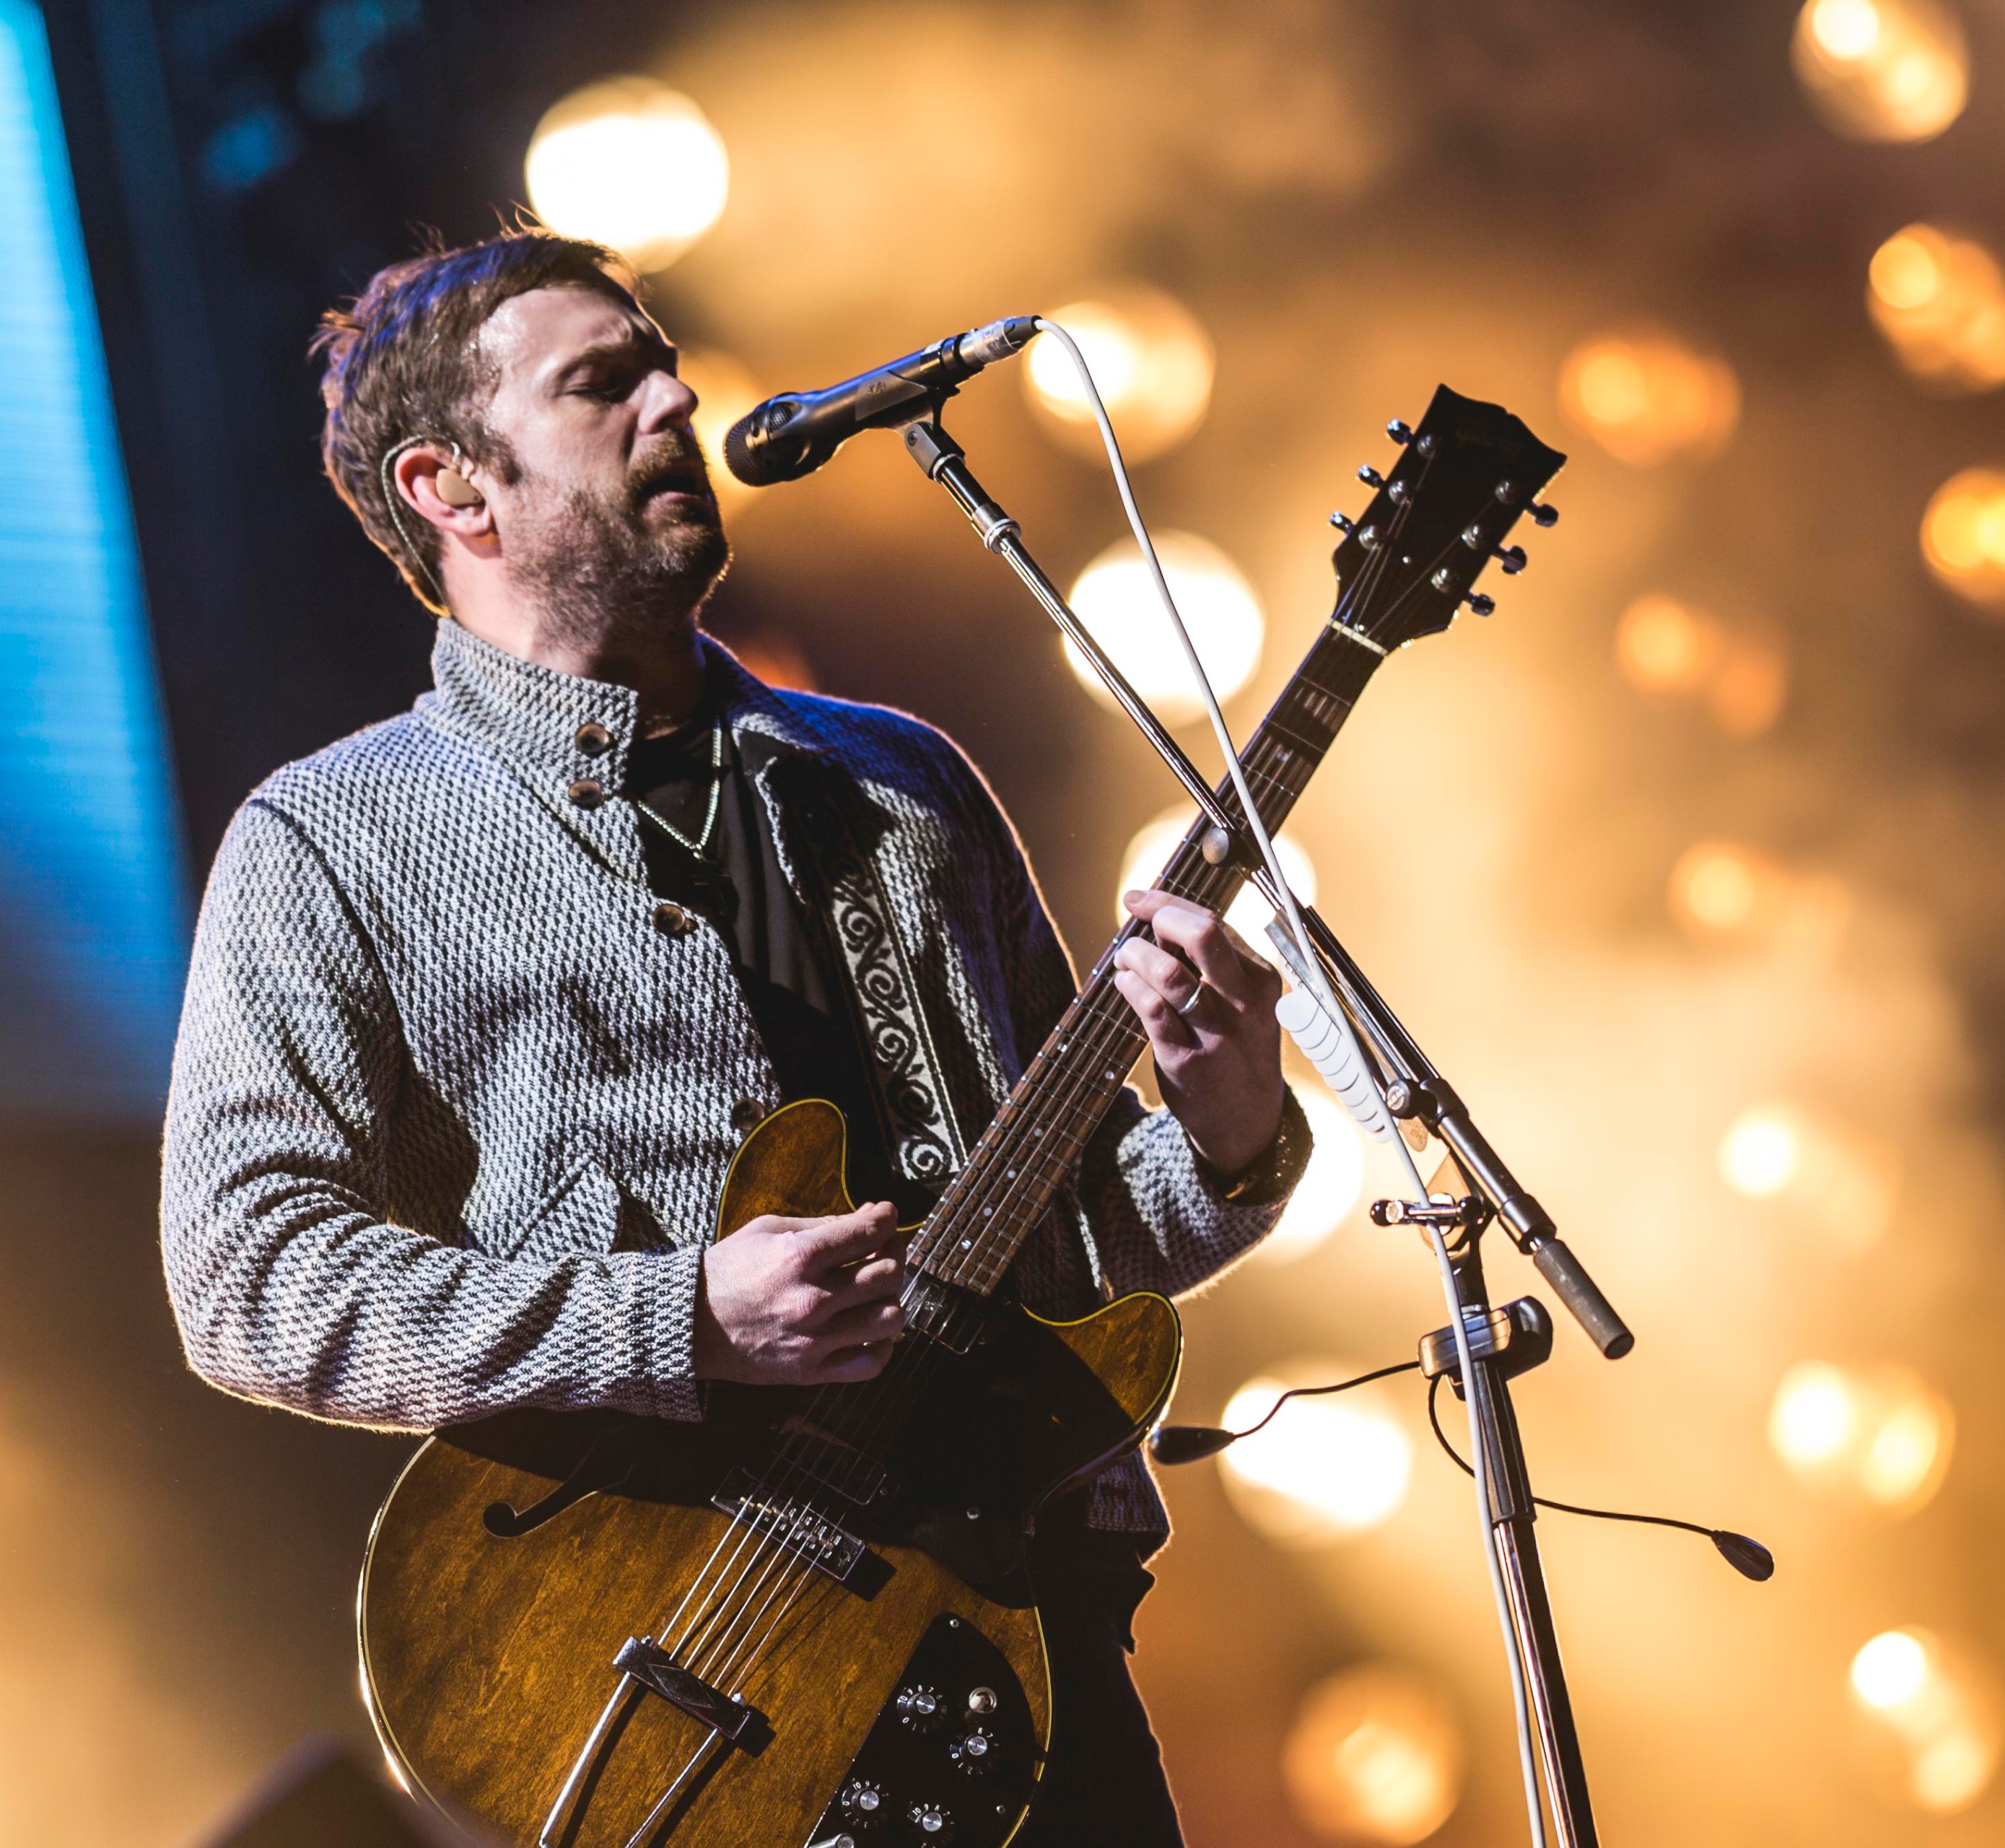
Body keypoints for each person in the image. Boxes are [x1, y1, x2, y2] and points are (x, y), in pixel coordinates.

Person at [158, 230, 1311, 1847]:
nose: (678, 395)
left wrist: (1227, 1127)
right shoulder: (333, 839)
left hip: (1014, 1605)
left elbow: (1065, 1242)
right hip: (686, 1638)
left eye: (665, 359)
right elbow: (247, 1280)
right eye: (603, 381)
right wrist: (678, 1316)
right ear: (452, 487)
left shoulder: (902, 784)